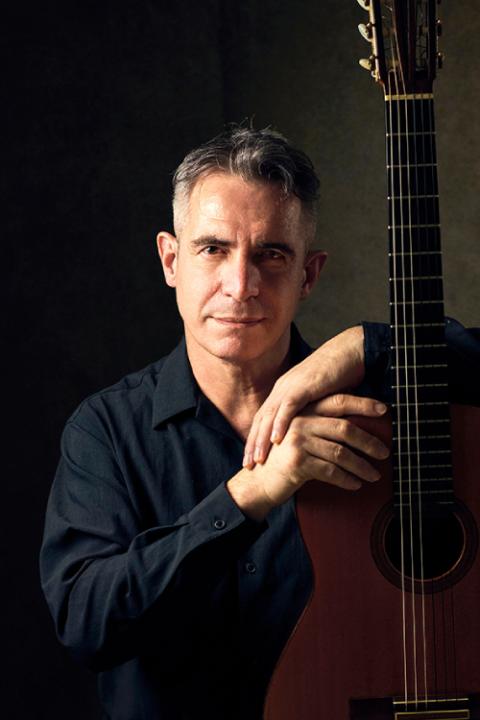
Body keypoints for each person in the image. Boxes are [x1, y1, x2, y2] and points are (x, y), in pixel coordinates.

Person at [40, 126, 480, 720]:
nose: (241, 285)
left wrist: (369, 345)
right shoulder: (107, 431)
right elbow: (87, 625)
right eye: (213, 250)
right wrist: (249, 495)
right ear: (171, 260)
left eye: (271, 254)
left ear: (309, 275)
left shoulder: (378, 409)